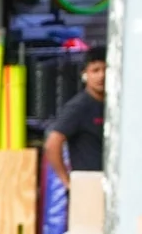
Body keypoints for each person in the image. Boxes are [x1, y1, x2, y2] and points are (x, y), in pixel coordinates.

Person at [42, 45, 107, 188]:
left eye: (106, 69)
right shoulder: (79, 106)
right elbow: (52, 143)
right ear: (85, 74)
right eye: (95, 70)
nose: (101, 76)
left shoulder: (116, 106)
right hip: (87, 184)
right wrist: (66, 181)